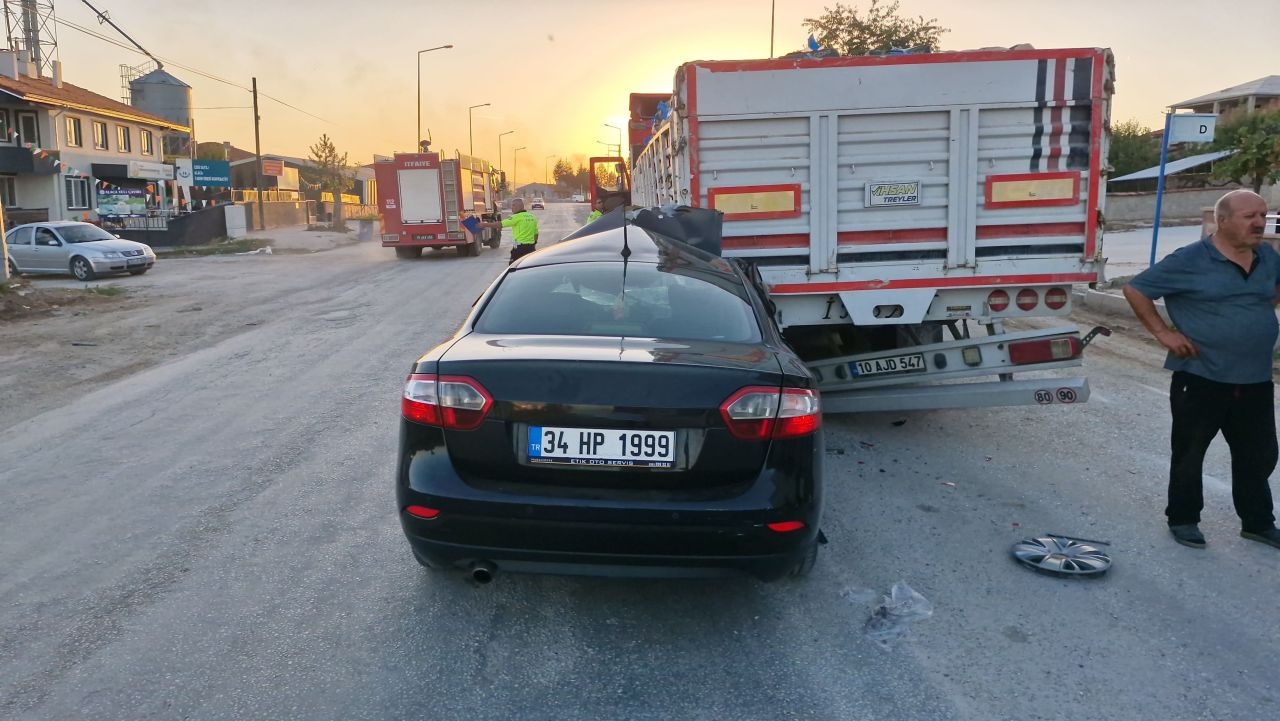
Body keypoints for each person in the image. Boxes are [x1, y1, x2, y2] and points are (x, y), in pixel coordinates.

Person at [1123, 189, 1280, 550]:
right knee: (1190, 453)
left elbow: (1275, 289)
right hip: (1201, 376)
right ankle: (1183, 518)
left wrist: (1251, 317)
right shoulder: (1190, 259)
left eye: (1263, 215)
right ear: (1223, 221)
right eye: (1249, 216)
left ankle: (1257, 523)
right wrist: (1163, 332)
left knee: (1259, 456)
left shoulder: (1267, 257)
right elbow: (1136, 289)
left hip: (1254, 378)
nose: (1259, 223)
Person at [478, 197, 539, 263]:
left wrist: (484, 224)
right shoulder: (532, 217)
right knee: (528, 266)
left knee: (513, 268)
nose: (512, 207)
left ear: (520, 206)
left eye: (513, 205)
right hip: (531, 248)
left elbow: (500, 224)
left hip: (519, 248)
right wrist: (534, 243)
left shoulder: (516, 217)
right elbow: (536, 234)